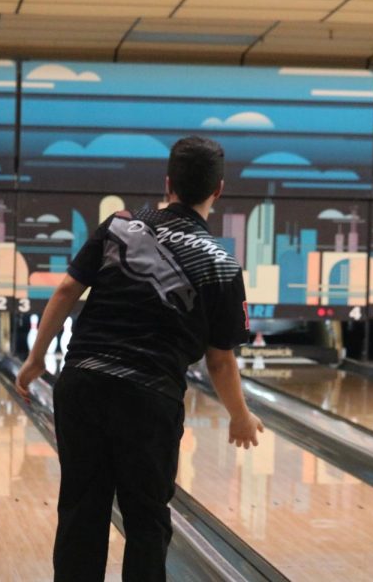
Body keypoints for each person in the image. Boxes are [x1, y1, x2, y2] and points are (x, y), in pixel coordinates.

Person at [15, 136, 263, 581]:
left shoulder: (119, 224)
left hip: (82, 384)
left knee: (81, 512)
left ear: (167, 182)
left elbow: (67, 290)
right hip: (148, 398)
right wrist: (240, 416)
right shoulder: (221, 263)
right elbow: (220, 360)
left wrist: (35, 359)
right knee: (146, 522)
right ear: (218, 191)